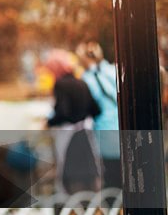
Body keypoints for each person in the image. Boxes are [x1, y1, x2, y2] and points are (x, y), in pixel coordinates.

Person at [45, 49, 102, 194]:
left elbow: (62, 112)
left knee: (70, 179)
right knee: (89, 177)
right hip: (85, 135)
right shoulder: (81, 82)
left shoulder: (60, 85)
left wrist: (49, 122)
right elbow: (96, 109)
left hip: (69, 137)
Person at [76, 41, 121, 190]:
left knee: (110, 173)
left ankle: (114, 209)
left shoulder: (86, 79)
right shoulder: (113, 70)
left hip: (104, 130)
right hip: (122, 126)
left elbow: (89, 107)